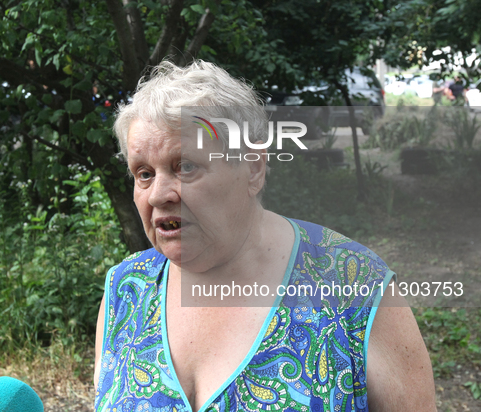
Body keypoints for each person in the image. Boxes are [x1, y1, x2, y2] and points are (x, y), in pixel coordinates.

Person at [93, 60, 436, 412]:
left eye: (186, 166)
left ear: (253, 169)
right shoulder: (125, 289)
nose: (157, 195)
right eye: (144, 173)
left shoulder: (355, 284)